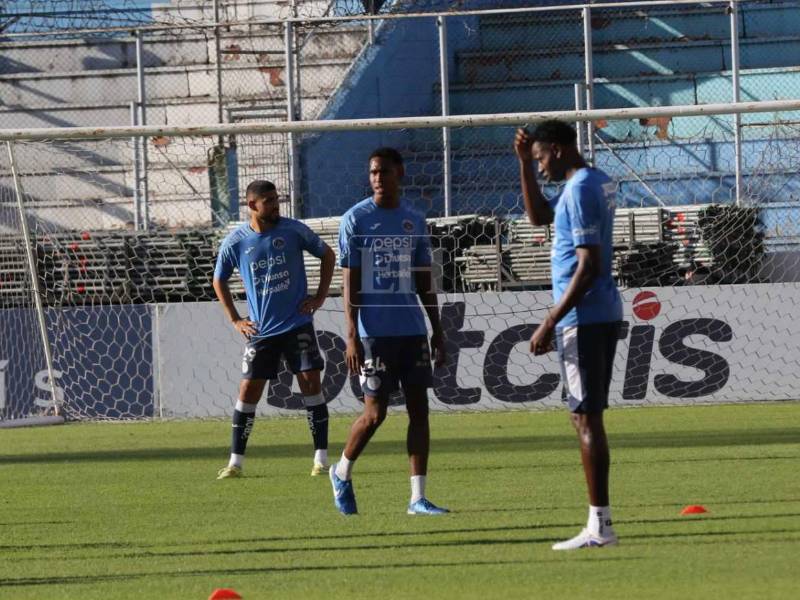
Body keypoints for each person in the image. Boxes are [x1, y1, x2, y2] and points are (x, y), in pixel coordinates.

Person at [514, 120, 623, 549]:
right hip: (598, 313)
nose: (540, 166)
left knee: (586, 417)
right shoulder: (594, 180)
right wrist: (523, 165)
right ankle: (600, 523)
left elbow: (588, 264)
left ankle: (600, 526)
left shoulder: (578, 191)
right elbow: (540, 216)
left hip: (584, 317)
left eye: (540, 157)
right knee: (583, 414)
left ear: (558, 150)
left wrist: (549, 320)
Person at [329, 147, 448, 516]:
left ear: (401, 174)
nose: (377, 178)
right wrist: (351, 334)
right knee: (375, 414)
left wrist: (437, 328)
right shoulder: (356, 219)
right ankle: (341, 471)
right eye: (373, 173)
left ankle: (418, 498)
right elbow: (350, 281)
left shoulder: (414, 219)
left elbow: (424, 279)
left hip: (411, 331)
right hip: (374, 333)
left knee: (420, 412)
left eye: (384, 171)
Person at [213, 180, 336, 478]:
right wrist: (235, 319)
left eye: (277, 199)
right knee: (249, 390)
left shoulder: (293, 230)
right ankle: (235, 463)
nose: (276, 206)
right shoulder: (236, 242)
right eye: (268, 201)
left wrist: (319, 297)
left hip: (297, 324)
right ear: (252, 205)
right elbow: (219, 280)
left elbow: (328, 255)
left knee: (310, 383)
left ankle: (320, 459)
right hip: (262, 331)